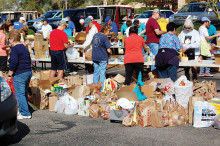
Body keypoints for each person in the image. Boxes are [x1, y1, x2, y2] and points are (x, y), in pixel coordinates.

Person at [7, 29, 32, 119]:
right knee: (23, 93)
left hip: (20, 73)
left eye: (9, 39)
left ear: (12, 39)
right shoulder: (23, 47)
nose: (9, 41)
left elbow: (13, 62)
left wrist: (9, 74)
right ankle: (23, 110)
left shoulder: (14, 49)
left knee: (20, 93)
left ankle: (25, 113)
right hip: (28, 71)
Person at [92, 24, 112, 90]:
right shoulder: (104, 37)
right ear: (105, 30)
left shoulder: (95, 35)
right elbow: (108, 49)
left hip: (95, 56)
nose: (109, 33)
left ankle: (94, 88)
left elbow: (93, 44)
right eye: (109, 31)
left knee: (96, 72)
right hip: (102, 57)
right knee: (102, 73)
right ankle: (102, 88)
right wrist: (111, 53)